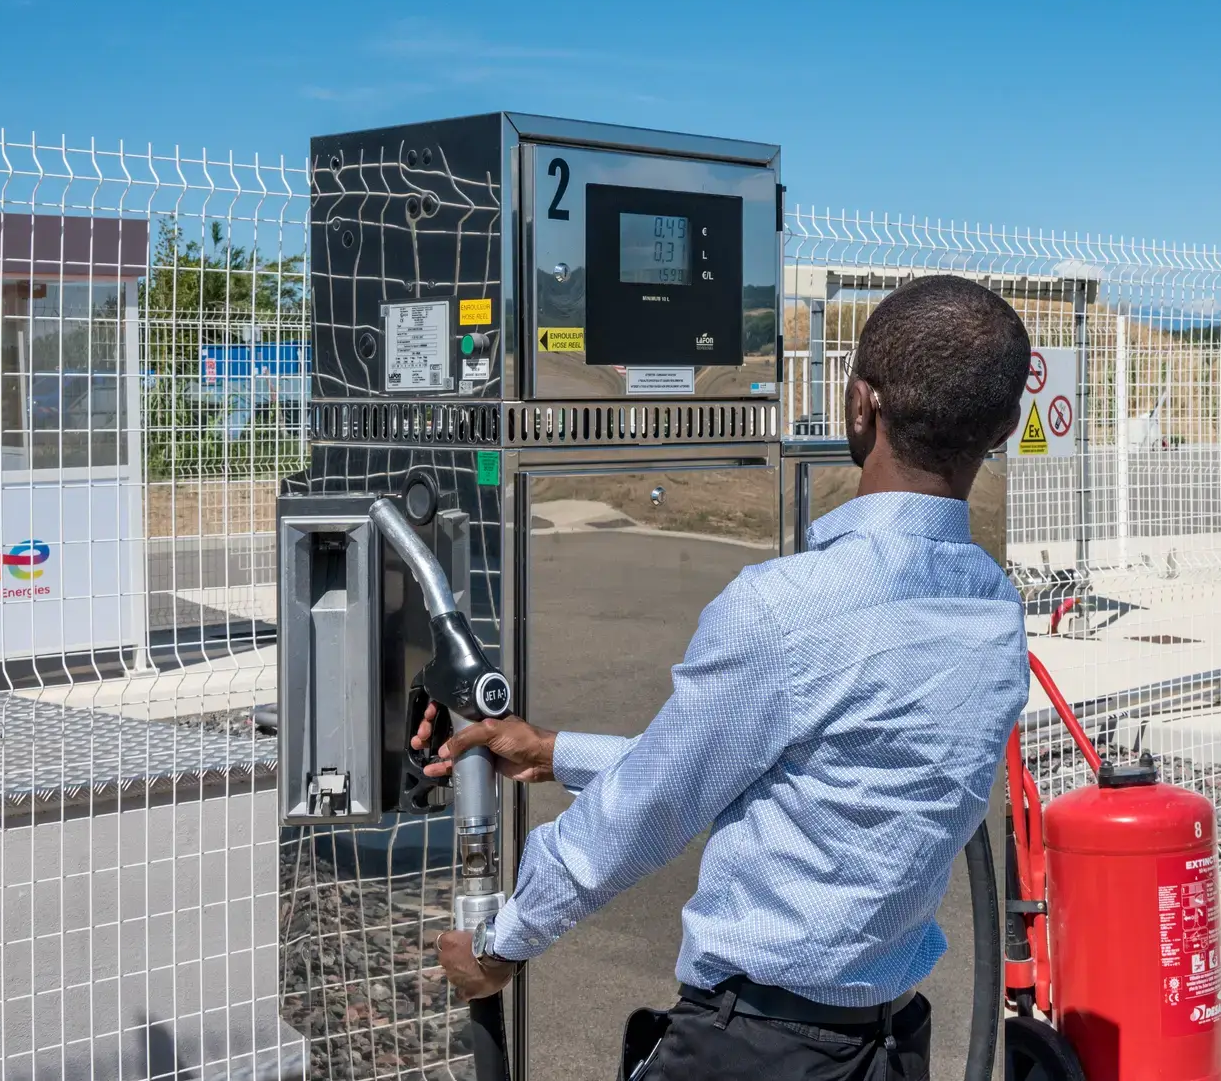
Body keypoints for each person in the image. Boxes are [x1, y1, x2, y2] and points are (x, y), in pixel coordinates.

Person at [417, 274, 1032, 1080]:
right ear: (1005, 427)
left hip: (753, 1048)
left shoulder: (786, 607)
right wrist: (554, 752)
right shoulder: (995, 612)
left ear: (860, 405)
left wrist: (501, 944)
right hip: (886, 1048)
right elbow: (797, 776)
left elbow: (654, 805)